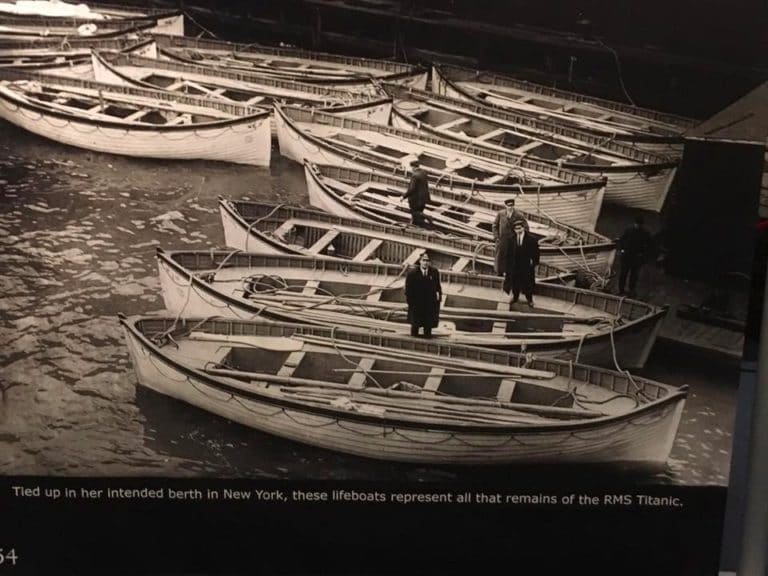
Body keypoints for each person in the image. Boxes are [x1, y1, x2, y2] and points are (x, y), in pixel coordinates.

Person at [503, 219, 539, 307]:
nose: (518, 230)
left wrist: (535, 263)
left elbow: (536, 253)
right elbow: (508, 254)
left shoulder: (532, 239)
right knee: (515, 282)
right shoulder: (511, 239)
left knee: (527, 283)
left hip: (526, 265)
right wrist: (506, 268)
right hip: (515, 265)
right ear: (514, 230)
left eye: (519, 228)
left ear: (523, 228)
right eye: (516, 229)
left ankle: (529, 299)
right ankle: (515, 297)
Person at [405, 252, 442, 338]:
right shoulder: (412, 273)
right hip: (417, 304)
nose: (425, 262)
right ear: (420, 261)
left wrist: (438, 300)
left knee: (428, 326)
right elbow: (408, 290)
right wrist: (411, 303)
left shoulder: (434, 272)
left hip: (429, 304)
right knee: (415, 326)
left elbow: (438, 287)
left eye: (427, 261)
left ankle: (427, 339)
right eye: (424, 260)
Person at [492, 197, 529, 275]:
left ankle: (511, 272)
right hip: (502, 239)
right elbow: (494, 225)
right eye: (508, 206)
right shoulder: (500, 214)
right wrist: (496, 237)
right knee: (500, 257)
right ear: (505, 206)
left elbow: (526, 227)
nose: (510, 207)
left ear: (513, 205)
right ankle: (499, 272)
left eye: (512, 205)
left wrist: (522, 237)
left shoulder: (519, 215)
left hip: (513, 240)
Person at [617, 216, 652, 296]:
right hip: (628, 255)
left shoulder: (645, 233)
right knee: (624, 274)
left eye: (639, 224)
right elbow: (622, 240)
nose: (638, 225)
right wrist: (622, 249)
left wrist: (643, 254)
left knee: (633, 275)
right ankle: (621, 290)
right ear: (635, 223)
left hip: (636, 257)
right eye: (637, 224)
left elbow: (650, 245)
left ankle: (631, 290)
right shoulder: (630, 230)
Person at [401, 158, 433, 228]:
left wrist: (403, 196)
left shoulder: (415, 176)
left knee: (414, 212)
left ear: (412, 167)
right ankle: (417, 225)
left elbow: (411, 189)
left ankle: (428, 217)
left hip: (416, 199)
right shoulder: (423, 172)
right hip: (424, 198)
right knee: (418, 214)